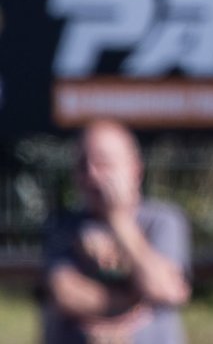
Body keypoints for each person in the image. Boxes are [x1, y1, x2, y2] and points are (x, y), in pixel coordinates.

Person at [42, 119, 191, 344]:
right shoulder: (62, 225)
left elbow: (164, 288)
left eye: (103, 163)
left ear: (135, 169)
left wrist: (118, 219)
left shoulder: (164, 220)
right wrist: (137, 296)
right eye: (83, 165)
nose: (92, 174)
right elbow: (66, 294)